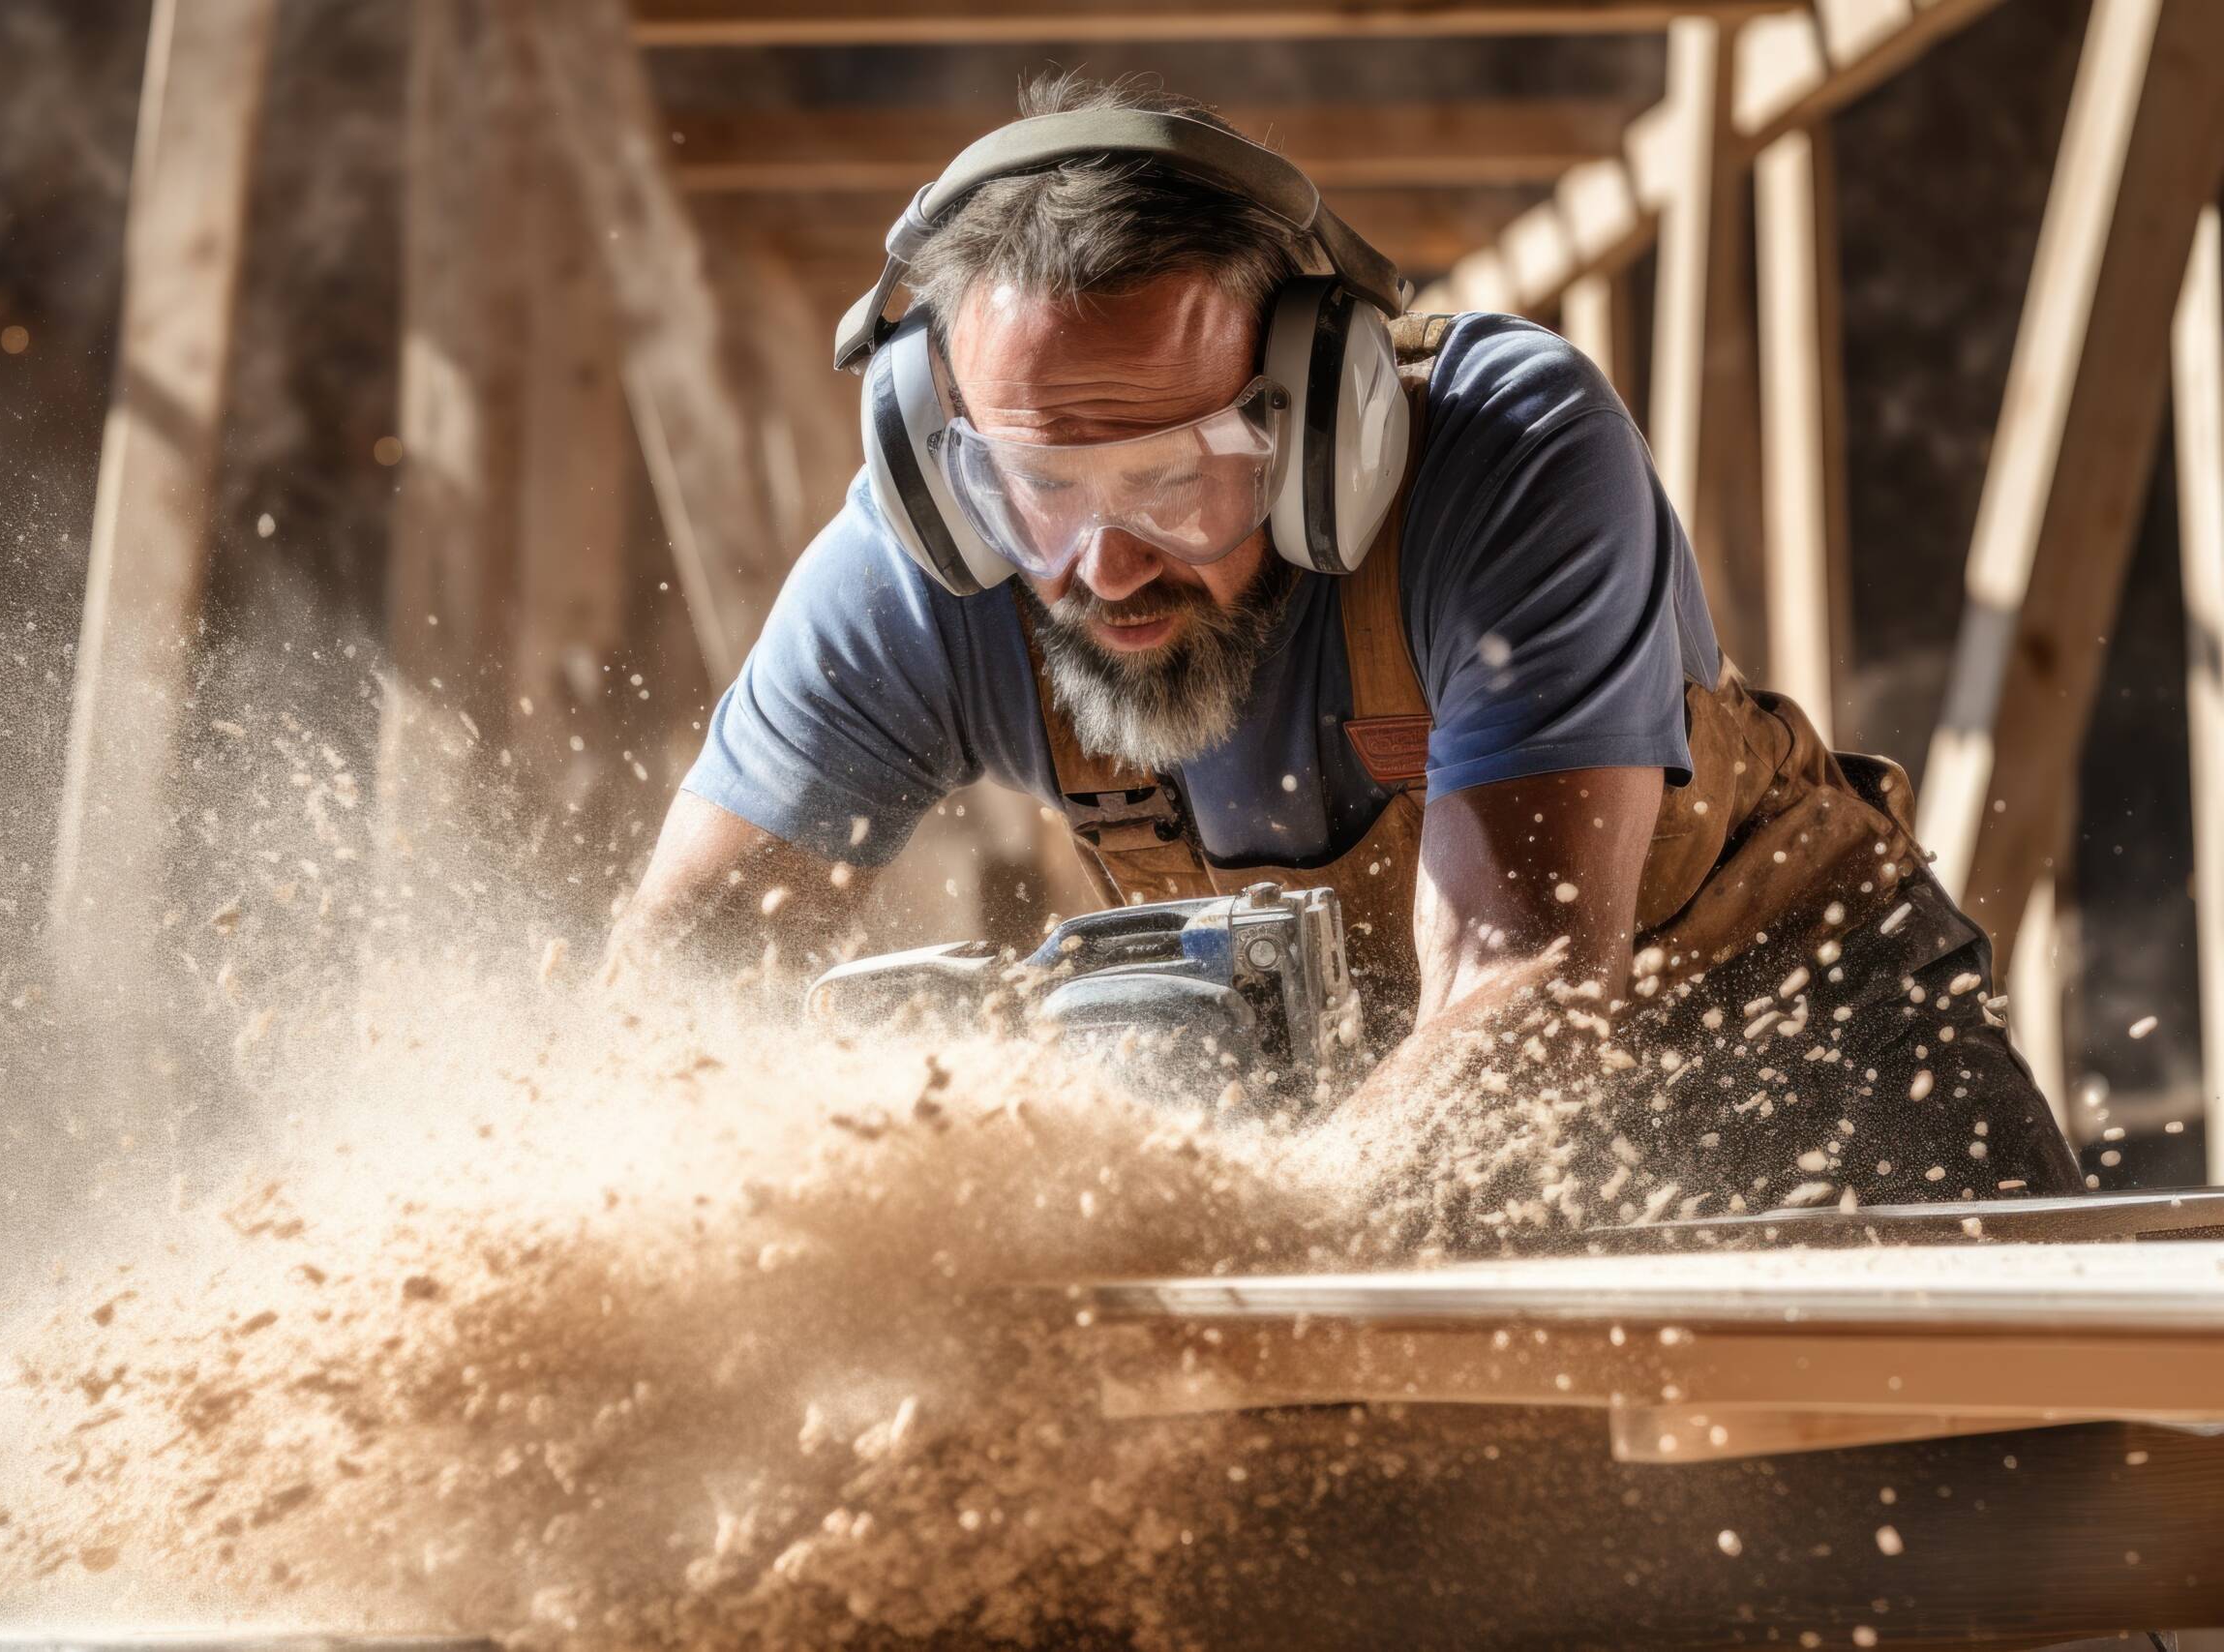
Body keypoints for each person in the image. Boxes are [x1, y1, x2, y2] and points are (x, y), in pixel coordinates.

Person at [610, 74, 2082, 1213]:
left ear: (1327, 421)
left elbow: (1523, 986)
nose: (1103, 560)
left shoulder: (1505, 456)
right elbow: (673, 992)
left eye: (1175, 477)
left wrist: (1232, 1246)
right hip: (1371, 1109)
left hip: (1783, 1038)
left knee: (2035, 1516)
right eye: (1042, 482)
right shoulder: (918, 561)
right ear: (946, 456)